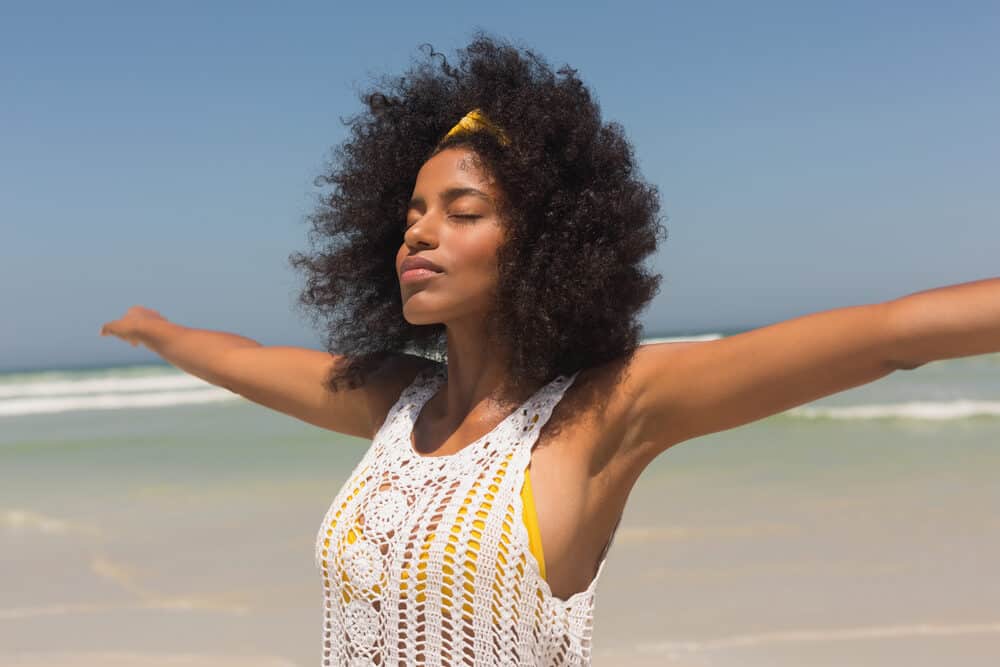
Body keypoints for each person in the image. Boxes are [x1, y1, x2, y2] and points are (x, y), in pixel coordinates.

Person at [100, 30, 1000, 667]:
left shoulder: (604, 409)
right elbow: (244, 358)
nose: (418, 234)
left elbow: (890, 335)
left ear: (544, 244)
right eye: (411, 213)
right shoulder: (393, 401)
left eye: (462, 212)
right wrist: (157, 330)